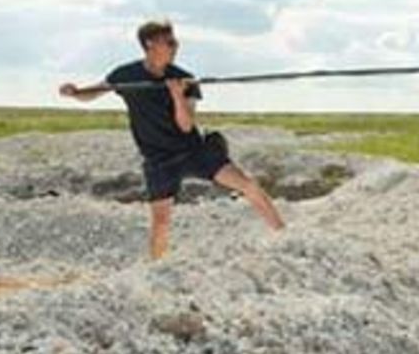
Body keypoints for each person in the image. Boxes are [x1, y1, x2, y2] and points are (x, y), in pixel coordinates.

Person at [58, 19, 285, 259]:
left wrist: (177, 95)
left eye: (175, 42)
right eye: (169, 42)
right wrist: (75, 92)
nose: (175, 47)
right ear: (150, 44)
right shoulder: (126, 75)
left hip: (193, 150)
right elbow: (93, 93)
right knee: (161, 221)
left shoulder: (185, 79)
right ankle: (156, 267)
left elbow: (186, 126)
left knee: (248, 185)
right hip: (159, 159)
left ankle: (283, 237)